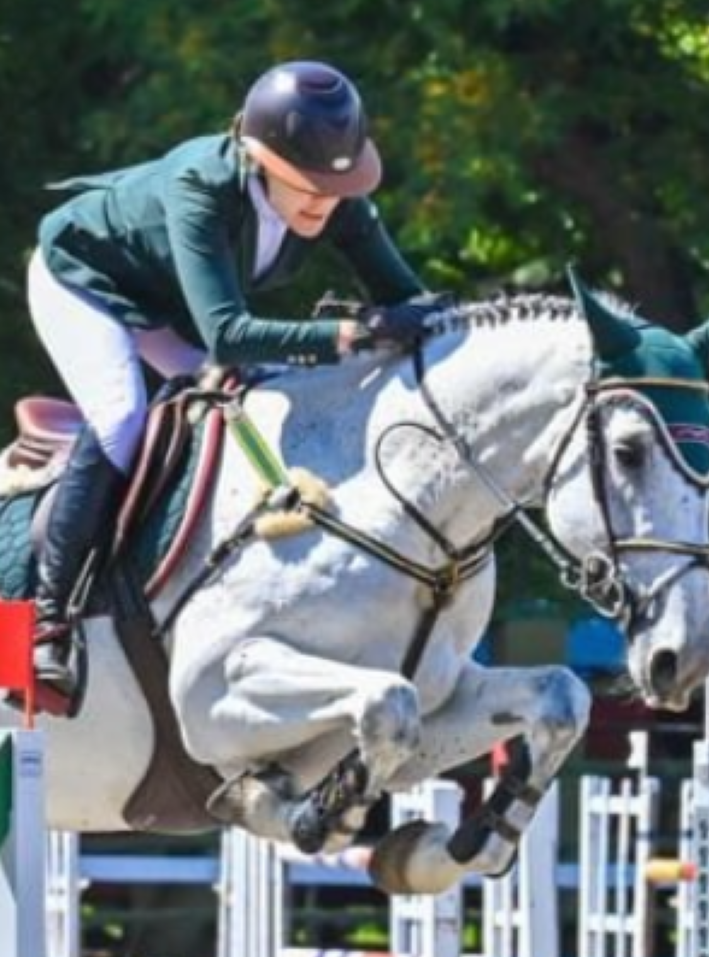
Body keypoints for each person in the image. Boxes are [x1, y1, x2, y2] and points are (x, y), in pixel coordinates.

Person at [26, 59, 439, 704]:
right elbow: (225, 335)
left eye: (333, 189)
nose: (322, 204)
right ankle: (47, 620)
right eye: (302, 186)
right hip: (85, 282)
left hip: (167, 306)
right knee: (121, 416)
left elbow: (408, 298)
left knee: (263, 401)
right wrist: (351, 335)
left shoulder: (340, 202)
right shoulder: (201, 187)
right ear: (256, 159)